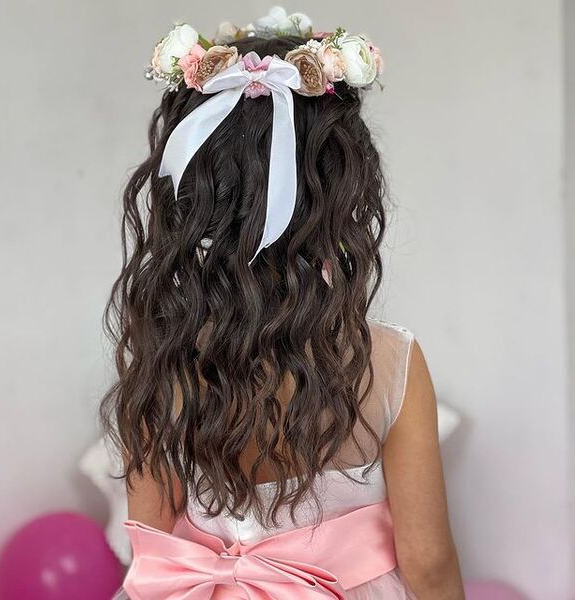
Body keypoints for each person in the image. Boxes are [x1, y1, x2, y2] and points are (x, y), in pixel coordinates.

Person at [102, 8, 464, 599]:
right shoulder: (392, 362)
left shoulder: (161, 355)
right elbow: (426, 562)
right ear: (339, 189)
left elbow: (154, 547)